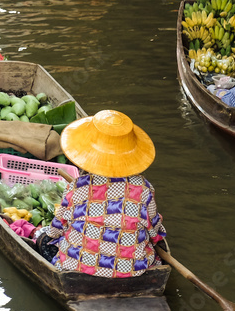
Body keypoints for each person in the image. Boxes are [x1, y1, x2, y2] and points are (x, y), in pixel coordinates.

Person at [34, 109, 166, 277]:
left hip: (77, 269)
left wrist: (46, 235)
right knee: (147, 245)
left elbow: (57, 228)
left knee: (44, 241)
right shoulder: (144, 189)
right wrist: (156, 237)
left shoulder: (77, 187)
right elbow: (154, 230)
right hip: (132, 271)